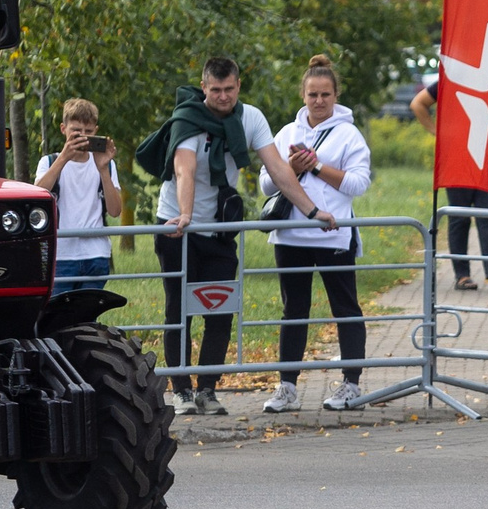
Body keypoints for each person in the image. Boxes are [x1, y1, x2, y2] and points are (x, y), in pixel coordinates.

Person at [156, 56, 326, 417]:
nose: (222, 97)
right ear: (203, 88)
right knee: (179, 309)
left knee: (219, 308)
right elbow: (184, 170)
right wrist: (186, 215)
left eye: (229, 89)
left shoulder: (250, 118)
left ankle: (207, 389)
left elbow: (279, 169)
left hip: (220, 228)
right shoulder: (187, 118)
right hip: (178, 226)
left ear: (238, 86)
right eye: (215, 90)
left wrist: (313, 211)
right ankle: (181, 390)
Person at [258, 56, 373, 415]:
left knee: (345, 309)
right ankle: (287, 387)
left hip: (333, 236)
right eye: (312, 94)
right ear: (303, 95)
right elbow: (265, 183)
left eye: (325, 94)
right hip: (291, 236)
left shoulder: (349, 135)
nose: (319, 101)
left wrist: (318, 167)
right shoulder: (286, 133)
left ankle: (351, 384)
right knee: (294, 310)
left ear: (336, 95)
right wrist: (290, 168)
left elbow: (359, 183)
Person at [411, 71, 488, 290]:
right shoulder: (450, 80)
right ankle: (461, 275)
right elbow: (418, 104)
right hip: (457, 159)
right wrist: (436, 132)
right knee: (459, 218)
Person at [35, 97, 122, 297]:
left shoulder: (106, 165)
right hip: (61, 254)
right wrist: (64, 158)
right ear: (63, 129)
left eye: (89, 132)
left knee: (87, 315)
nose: (82, 137)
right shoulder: (49, 162)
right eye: (76, 131)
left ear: (96, 131)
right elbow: (38, 196)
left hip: (96, 254)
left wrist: (103, 171)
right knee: (58, 316)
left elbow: (115, 210)